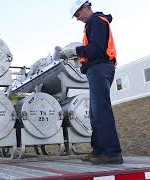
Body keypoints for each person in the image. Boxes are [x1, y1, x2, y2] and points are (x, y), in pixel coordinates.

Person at [61, 0, 123, 164]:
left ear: (86, 7)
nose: (77, 18)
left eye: (78, 14)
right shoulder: (94, 23)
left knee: (101, 110)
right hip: (98, 69)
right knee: (95, 112)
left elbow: (97, 49)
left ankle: (111, 153)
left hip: (100, 68)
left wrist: (76, 51)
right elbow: (95, 49)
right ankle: (99, 150)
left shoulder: (95, 21)